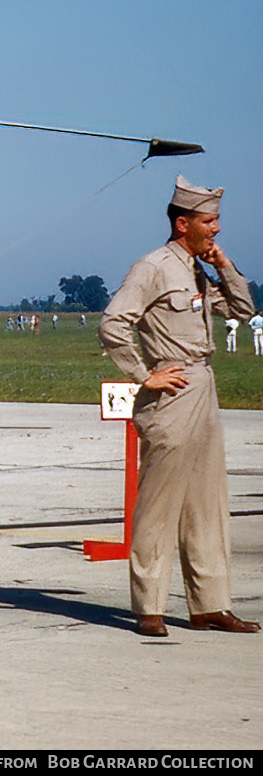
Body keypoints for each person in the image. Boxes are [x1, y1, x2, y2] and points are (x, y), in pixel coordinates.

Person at [98, 176, 258, 637]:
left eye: (218, 221)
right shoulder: (151, 267)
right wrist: (143, 375)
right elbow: (113, 324)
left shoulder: (198, 268)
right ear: (183, 222)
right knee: (158, 505)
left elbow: (243, 311)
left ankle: (210, 604)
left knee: (207, 504)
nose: (217, 230)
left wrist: (224, 266)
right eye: (210, 222)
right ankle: (148, 606)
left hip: (204, 385)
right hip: (171, 391)